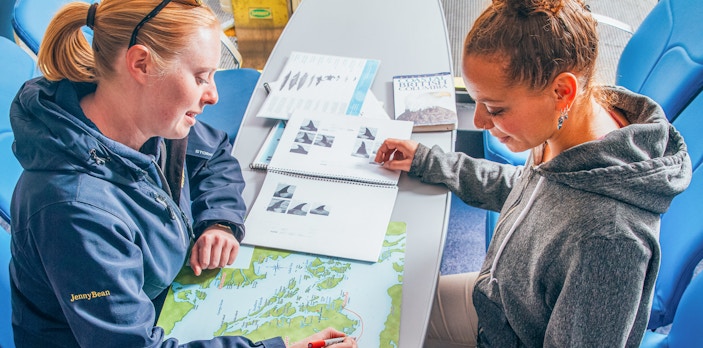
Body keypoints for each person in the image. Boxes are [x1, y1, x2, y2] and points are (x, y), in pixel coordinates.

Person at [8, 1, 356, 347]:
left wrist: (218, 220)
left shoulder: (147, 119)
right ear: (141, 64)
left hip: (160, 296)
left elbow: (212, 154)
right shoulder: (74, 209)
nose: (214, 95)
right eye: (201, 76)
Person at [375, 0, 692, 347]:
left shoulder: (610, 240)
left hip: (509, 329)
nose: (479, 121)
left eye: (495, 109)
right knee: (376, 308)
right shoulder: (566, 131)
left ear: (562, 91)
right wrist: (432, 162)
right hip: (500, 305)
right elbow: (531, 194)